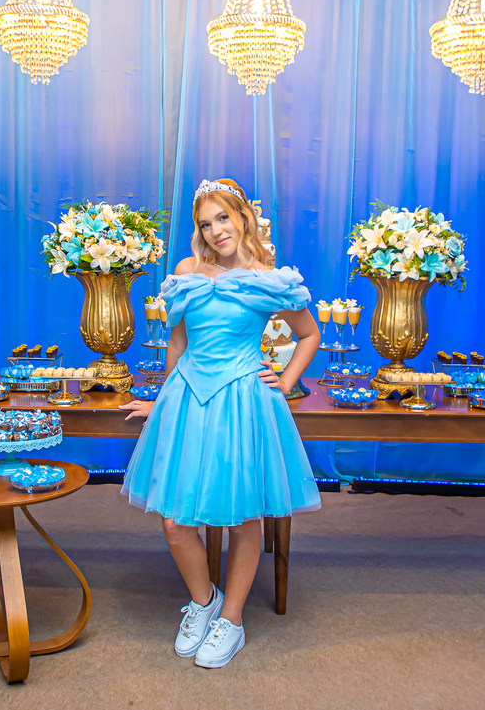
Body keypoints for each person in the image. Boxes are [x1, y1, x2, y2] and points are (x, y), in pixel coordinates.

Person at [119, 178, 322, 668]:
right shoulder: (187, 272)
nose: (215, 231)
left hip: (242, 400)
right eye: (206, 224)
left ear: (243, 217)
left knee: (242, 516)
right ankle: (205, 601)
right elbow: (177, 343)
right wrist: (162, 402)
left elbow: (309, 334)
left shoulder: (268, 279)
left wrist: (285, 380)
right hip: (189, 398)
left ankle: (231, 620)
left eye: (223, 218)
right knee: (174, 520)